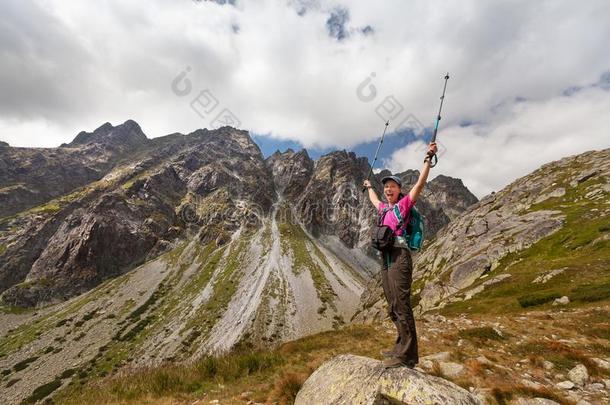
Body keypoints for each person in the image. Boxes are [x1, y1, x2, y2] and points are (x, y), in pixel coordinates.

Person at [362, 141, 438, 369]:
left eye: (392, 186)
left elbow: (421, 184)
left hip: (399, 257)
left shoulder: (403, 205)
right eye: (386, 186)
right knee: (393, 304)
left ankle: (407, 356)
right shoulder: (384, 208)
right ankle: (399, 347)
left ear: (399, 189)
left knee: (402, 304)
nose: (388, 189)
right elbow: (374, 199)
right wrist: (368, 187)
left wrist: (428, 159)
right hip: (385, 259)